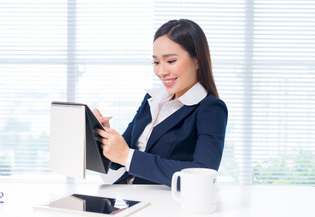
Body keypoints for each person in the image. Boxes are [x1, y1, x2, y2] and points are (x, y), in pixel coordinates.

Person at [94, 19, 228, 187]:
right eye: (156, 62)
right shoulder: (152, 99)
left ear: (197, 60)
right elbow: (119, 161)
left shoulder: (210, 109)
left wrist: (126, 156)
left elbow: (204, 175)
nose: (161, 72)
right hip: (126, 198)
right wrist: (103, 136)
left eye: (171, 61)